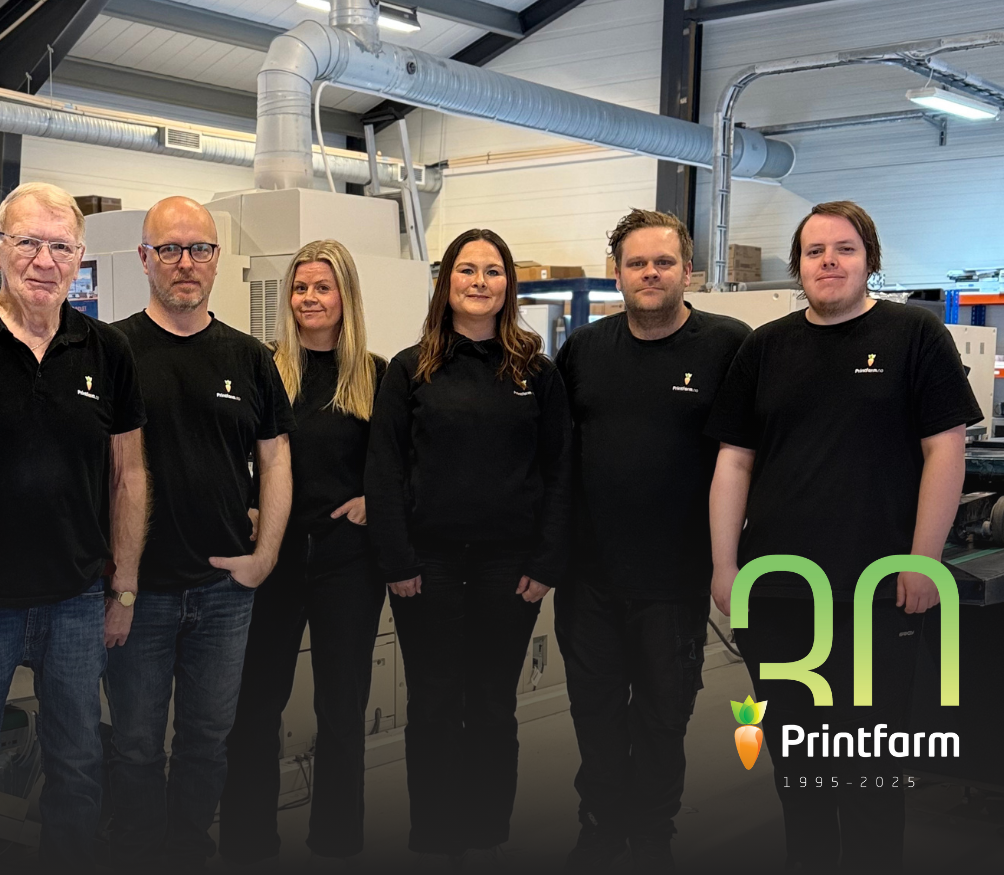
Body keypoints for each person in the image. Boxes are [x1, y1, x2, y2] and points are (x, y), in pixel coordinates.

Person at [706, 201, 980, 870]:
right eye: (815, 251)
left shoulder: (914, 333)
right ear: (799, 266)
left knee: (870, 769)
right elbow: (734, 461)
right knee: (795, 765)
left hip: (876, 594)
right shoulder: (764, 347)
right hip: (779, 593)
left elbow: (946, 450)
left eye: (845, 249)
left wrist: (924, 560)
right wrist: (724, 565)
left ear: (869, 260)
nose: (829, 261)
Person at [0, 182, 147, 869]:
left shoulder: (107, 349)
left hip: (75, 600)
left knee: (77, 767)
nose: (44, 261)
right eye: (27, 242)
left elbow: (129, 475)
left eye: (61, 247)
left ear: (79, 257)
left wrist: (124, 588)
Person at [365, 228, 571, 862]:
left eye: (492, 270)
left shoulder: (536, 372)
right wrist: (397, 559)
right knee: (432, 704)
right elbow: (384, 470)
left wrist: (547, 561)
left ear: (509, 284)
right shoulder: (410, 368)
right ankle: (433, 835)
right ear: (445, 283)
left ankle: (485, 833)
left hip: (508, 567)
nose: (479, 281)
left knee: (491, 703)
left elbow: (561, 470)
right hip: (427, 565)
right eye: (466, 270)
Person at [554, 209, 750, 872]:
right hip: (590, 577)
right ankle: (601, 824)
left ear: (687, 271)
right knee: (596, 712)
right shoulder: (584, 349)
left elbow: (748, 455)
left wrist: (729, 561)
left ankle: (651, 831)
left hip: (676, 576)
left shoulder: (727, 345)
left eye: (664, 262)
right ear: (616, 273)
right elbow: (555, 455)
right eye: (636, 263)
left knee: (665, 715)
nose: (650, 273)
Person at [106, 196, 295, 871]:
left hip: (223, 594)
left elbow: (276, 459)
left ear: (217, 259)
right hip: (139, 595)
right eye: (169, 248)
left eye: (200, 249)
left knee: (206, 743)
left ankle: (188, 854)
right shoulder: (113, 349)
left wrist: (265, 556)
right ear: (144, 257)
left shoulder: (250, 357)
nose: (185, 262)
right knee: (135, 746)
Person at [220, 240, 388, 866]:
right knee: (255, 704)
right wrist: (248, 505)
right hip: (276, 558)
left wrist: (375, 499)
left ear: (346, 297)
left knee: (341, 707)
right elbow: (233, 451)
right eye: (300, 288)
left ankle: (337, 844)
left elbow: (402, 461)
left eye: (322, 287)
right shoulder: (264, 368)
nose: (309, 299)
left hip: (349, 561)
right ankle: (247, 844)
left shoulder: (376, 374)